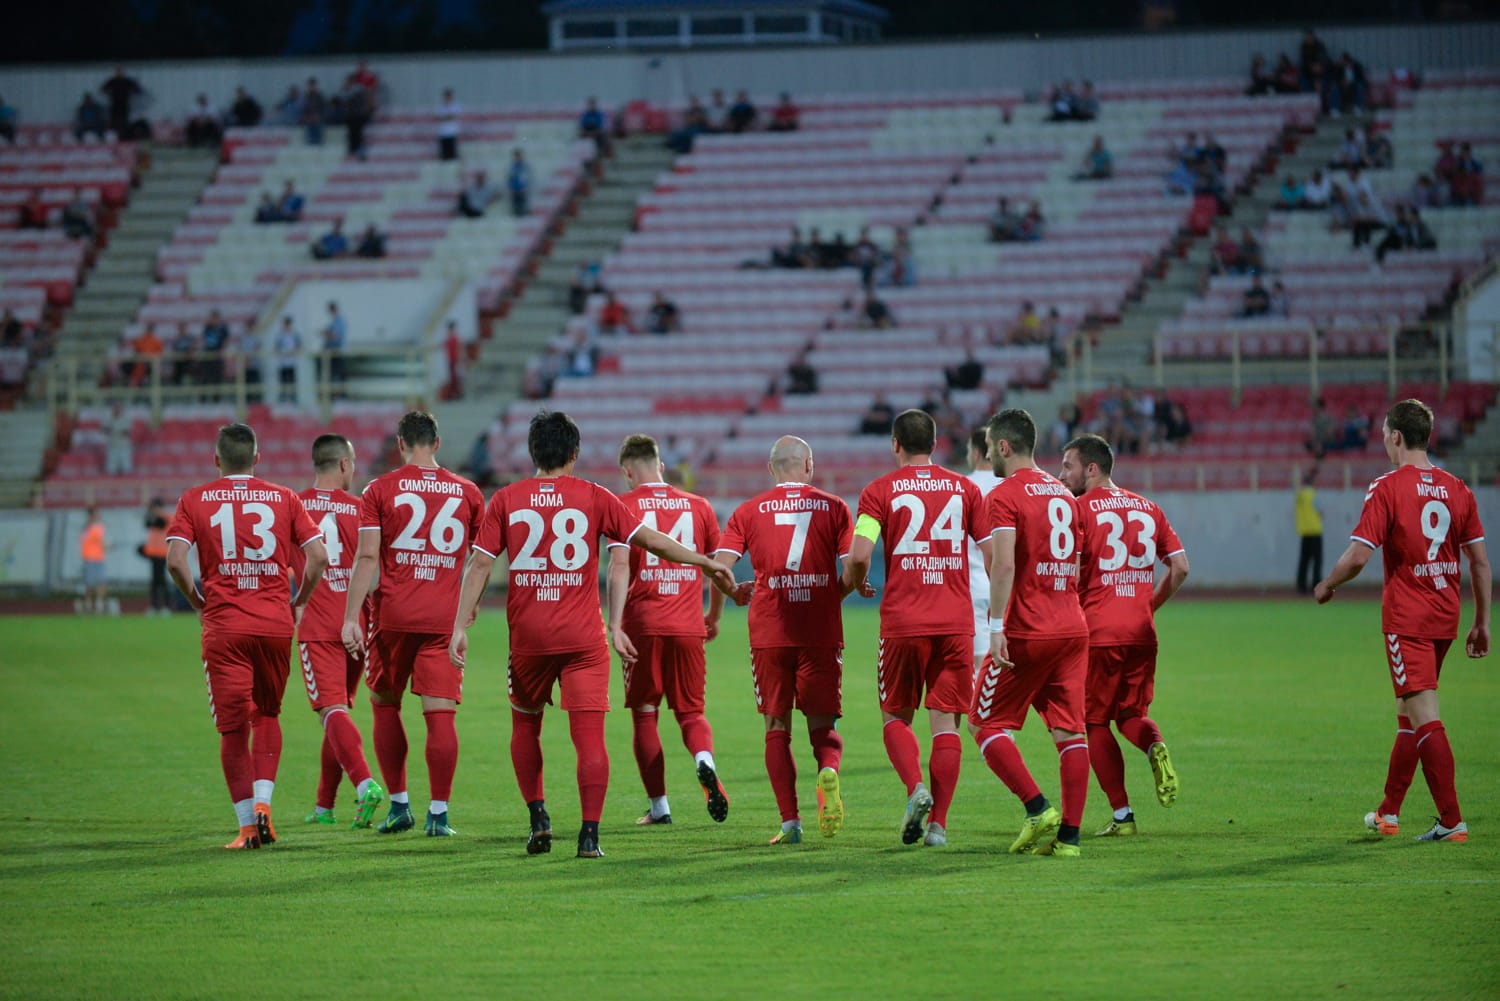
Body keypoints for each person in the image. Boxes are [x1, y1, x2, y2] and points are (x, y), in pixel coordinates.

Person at [451, 412, 735, 858]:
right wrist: (704, 562)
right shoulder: (595, 496)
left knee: (525, 725)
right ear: (574, 454)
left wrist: (459, 625)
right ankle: (589, 837)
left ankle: (539, 818)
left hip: (529, 640)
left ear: (532, 453)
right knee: (590, 738)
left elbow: (481, 564)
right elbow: (655, 543)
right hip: (584, 640)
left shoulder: (506, 499)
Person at [1314, 399, 1490, 844]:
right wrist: (1482, 622)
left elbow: (1358, 556)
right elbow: (1481, 563)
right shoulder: (1457, 488)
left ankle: (1451, 820)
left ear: (1395, 436)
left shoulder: (1387, 487)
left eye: (1385, 436)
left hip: (1407, 617)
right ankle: (1388, 812)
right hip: (1446, 616)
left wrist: (1328, 584)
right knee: (1408, 715)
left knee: (1424, 714)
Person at [164, 422, 328, 848]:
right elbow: (318, 556)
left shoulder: (194, 499)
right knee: (269, 716)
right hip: (274, 624)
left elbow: (176, 561)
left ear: (216, 460)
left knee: (233, 729)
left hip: (226, 626)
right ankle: (264, 806)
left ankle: (245, 827)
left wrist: (197, 600)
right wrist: (300, 600)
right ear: (257, 459)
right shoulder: (285, 497)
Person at [843, 411, 989, 847]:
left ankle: (915, 789)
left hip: (904, 622)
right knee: (946, 724)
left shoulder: (878, 492)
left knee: (895, 715)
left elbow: (859, 554)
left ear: (895, 444)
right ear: (936, 442)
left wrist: (859, 579)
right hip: (957, 623)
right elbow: (989, 549)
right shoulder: (965, 489)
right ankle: (939, 827)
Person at [341, 411, 485, 839]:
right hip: (443, 617)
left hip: (393, 616)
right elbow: (481, 560)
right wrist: (469, 606)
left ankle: (400, 805)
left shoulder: (379, 489)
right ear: (437, 443)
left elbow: (367, 557)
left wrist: (351, 617)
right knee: (440, 716)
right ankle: (438, 815)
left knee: (385, 704)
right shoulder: (469, 493)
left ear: (401, 444)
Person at [712, 436, 862, 845]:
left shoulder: (746, 510)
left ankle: (790, 824)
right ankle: (828, 769)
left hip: (770, 633)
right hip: (820, 631)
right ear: (809, 465)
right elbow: (853, 568)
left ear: (770, 468)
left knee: (776, 726)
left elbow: (719, 567)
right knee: (823, 724)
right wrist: (838, 593)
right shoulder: (834, 507)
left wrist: (733, 593)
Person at [973, 408, 1091, 858]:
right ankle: (1070, 840)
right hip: (1070, 626)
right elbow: (1075, 563)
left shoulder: (1004, 495)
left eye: (989, 449)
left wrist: (997, 626)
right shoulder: (1064, 494)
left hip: (1028, 629)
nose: (988, 456)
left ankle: (1038, 807)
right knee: (1069, 733)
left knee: (984, 722)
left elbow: (1003, 564)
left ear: (1004, 447)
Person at [1059, 433, 1189, 837]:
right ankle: (1155, 746)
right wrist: (1147, 607)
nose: (1062, 476)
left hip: (1098, 632)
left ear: (1092, 469)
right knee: (1133, 716)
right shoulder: (1149, 508)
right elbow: (1181, 567)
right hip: (1141, 633)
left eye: (1068, 467)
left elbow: (1068, 571)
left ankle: (1122, 816)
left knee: (1092, 723)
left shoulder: (1078, 511)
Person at [605, 434, 733, 827]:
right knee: (691, 712)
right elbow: (717, 567)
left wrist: (614, 623)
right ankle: (704, 760)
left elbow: (619, 566)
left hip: (642, 623)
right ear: (661, 465)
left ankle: (659, 807)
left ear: (628, 471)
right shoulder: (699, 506)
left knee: (645, 714)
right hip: (687, 623)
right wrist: (713, 615)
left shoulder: (622, 505)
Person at [294, 435, 385, 828]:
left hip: (317, 623)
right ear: (344, 465)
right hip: (357, 624)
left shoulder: (292, 505)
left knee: (330, 711)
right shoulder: (362, 508)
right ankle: (324, 807)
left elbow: (282, 565)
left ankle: (365, 785)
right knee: (339, 712)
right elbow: (374, 563)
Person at [964, 427, 1004, 673]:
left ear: (977, 453)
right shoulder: (1013, 486)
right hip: (1009, 585)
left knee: (978, 668)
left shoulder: (964, 486)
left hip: (973, 584)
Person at [1294, 469, 1323, 595]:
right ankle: (1315, 586)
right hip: (1315, 531)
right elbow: (1320, 512)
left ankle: (1301, 586)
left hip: (1304, 531)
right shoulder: (1313, 495)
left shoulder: (1299, 496)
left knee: (1304, 560)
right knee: (1317, 561)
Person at [141, 498, 170, 615]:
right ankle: (155, 606)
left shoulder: (165, 518)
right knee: (154, 582)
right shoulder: (153, 518)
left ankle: (166, 606)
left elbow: (159, 524)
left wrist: (152, 514)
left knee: (162, 581)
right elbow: (146, 523)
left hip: (162, 553)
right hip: (153, 554)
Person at [78, 505, 109, 615]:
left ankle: (99, 605)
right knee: (89, 583)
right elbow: (91, 541)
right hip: (89, 558)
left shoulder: (99, 527)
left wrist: (106, 546)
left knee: (101, 582)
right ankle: (89, 604)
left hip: (99, 558)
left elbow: (101, 542)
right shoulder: (87, 527)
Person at [101, 66, 143, 139]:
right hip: (115, 106)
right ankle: (113, 138)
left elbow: (137, 90)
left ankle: (124, 137)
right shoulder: (112, 81)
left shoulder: (126, 81)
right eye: (118, 72)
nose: (119, 73)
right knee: (114, 123)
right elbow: (103, 89)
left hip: (124, 106)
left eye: (120, 72)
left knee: (124, 123)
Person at [321, 301, 347, 391]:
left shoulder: (339, 321)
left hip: (337, 351)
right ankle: (335, 394)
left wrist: (326, 334)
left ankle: (341, 394)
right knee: (333, 374)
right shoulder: (334, 321)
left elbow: (336, 336)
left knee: (338, 373)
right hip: (332, 351)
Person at [105, 402, 133, 475]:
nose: (116, 410)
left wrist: (116, 431)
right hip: (112, 445)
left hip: (123, 445)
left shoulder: (125, 419)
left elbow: (126, 432)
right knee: (111, 468)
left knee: (126, 467)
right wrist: (114, 431)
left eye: (118, 409)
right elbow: (105, 430)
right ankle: (110, 485)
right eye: (115, 408)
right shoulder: (109, 419)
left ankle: (128, 484)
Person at [301, 78, 326, 145]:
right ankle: (310, 146)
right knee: (309, 128)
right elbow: (304, 109)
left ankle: (319, 144)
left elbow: (324, 108)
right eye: (310, 86)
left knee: (318, 126)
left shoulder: (320, 96)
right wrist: (307, 117)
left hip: (318, 119)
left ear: (315, 86)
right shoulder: (306, 97)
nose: (311, 87)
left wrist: (318, 115)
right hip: (309, 119)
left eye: (313, 85)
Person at [437, 88, 460, 160]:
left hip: (452, 132)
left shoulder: (455, 106)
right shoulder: (441, 107)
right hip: (443, 133)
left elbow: (453, 116)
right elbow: (440, 117)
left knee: (452, 155)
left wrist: (446, 117)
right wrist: (448, 117)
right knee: (444, 155)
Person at [507, 149, 532, 217]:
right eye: (516, 156)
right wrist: (511, 188)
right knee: (516, 207)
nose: (517, 157)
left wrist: (525, 188)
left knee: (523, 206)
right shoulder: (512, 166)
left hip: (522, 190)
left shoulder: (524, 166)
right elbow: (510, 178)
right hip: (515, 190)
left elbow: (527, 178)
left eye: (518, 155)